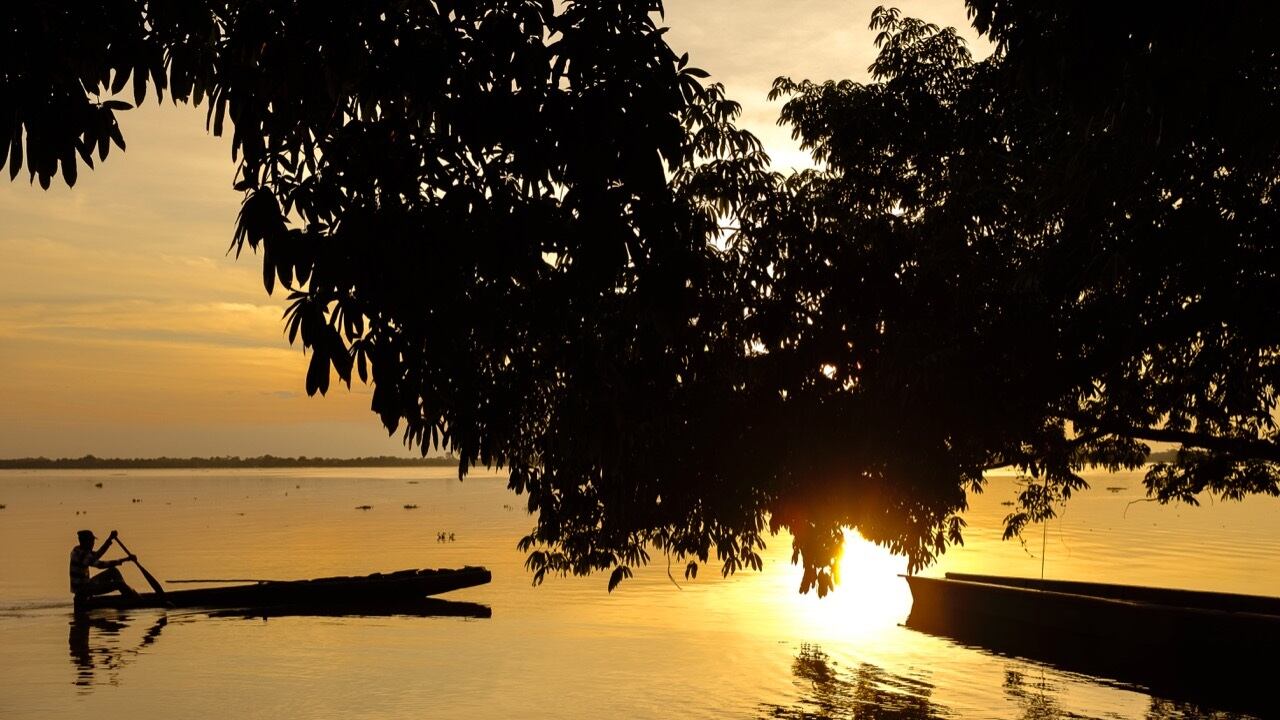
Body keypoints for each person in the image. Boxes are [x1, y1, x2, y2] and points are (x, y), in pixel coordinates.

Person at [70, 529, 140, 604]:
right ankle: (133, 599)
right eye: (91, 541)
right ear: (85, 542)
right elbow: (101, 565)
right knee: (119, 584)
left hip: (87, 584)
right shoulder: (82, 555)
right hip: (83, 590)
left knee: (113, 571)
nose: (93, 544)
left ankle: (128, 594)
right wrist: (125, 560)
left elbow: (97, 555)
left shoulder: (78, 549)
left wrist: (109, 539)